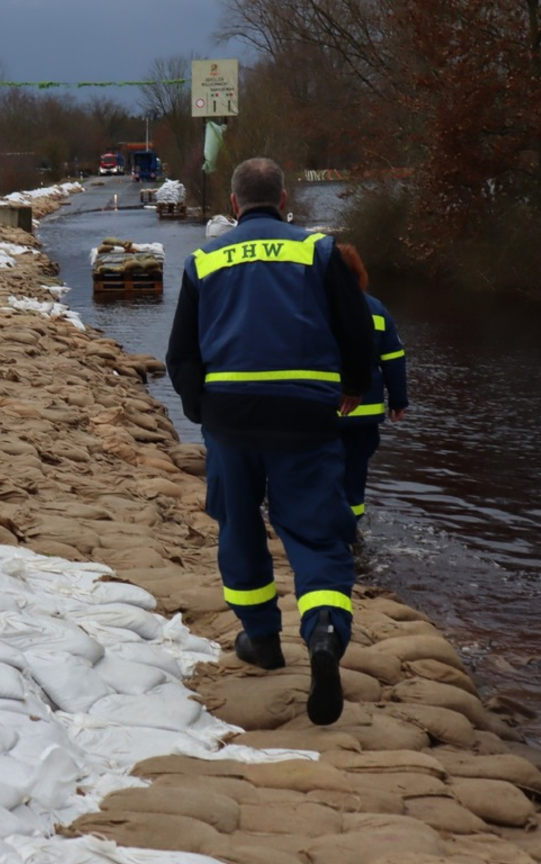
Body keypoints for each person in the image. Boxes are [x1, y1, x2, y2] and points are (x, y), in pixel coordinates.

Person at [165, 157, 374, 725]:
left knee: (238, 525)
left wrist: (200, 409)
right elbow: (357, 330)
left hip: (230, 419)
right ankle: (324, 631)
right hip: (305, 415)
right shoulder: (318, 252)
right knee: (316, 531)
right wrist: (354, 386)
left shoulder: (204, 260)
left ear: (234, 204)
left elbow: (181, 353)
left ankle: (261, 639)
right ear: (284, 200)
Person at [335, 243, 409, 521]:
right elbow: (394, 359)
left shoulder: (311, 306)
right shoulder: (376, 309)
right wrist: (398, 401)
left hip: (320, 410)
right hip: (363, 414)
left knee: (317, 470)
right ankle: (351, 530)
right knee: (354, 475)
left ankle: (318, 528)